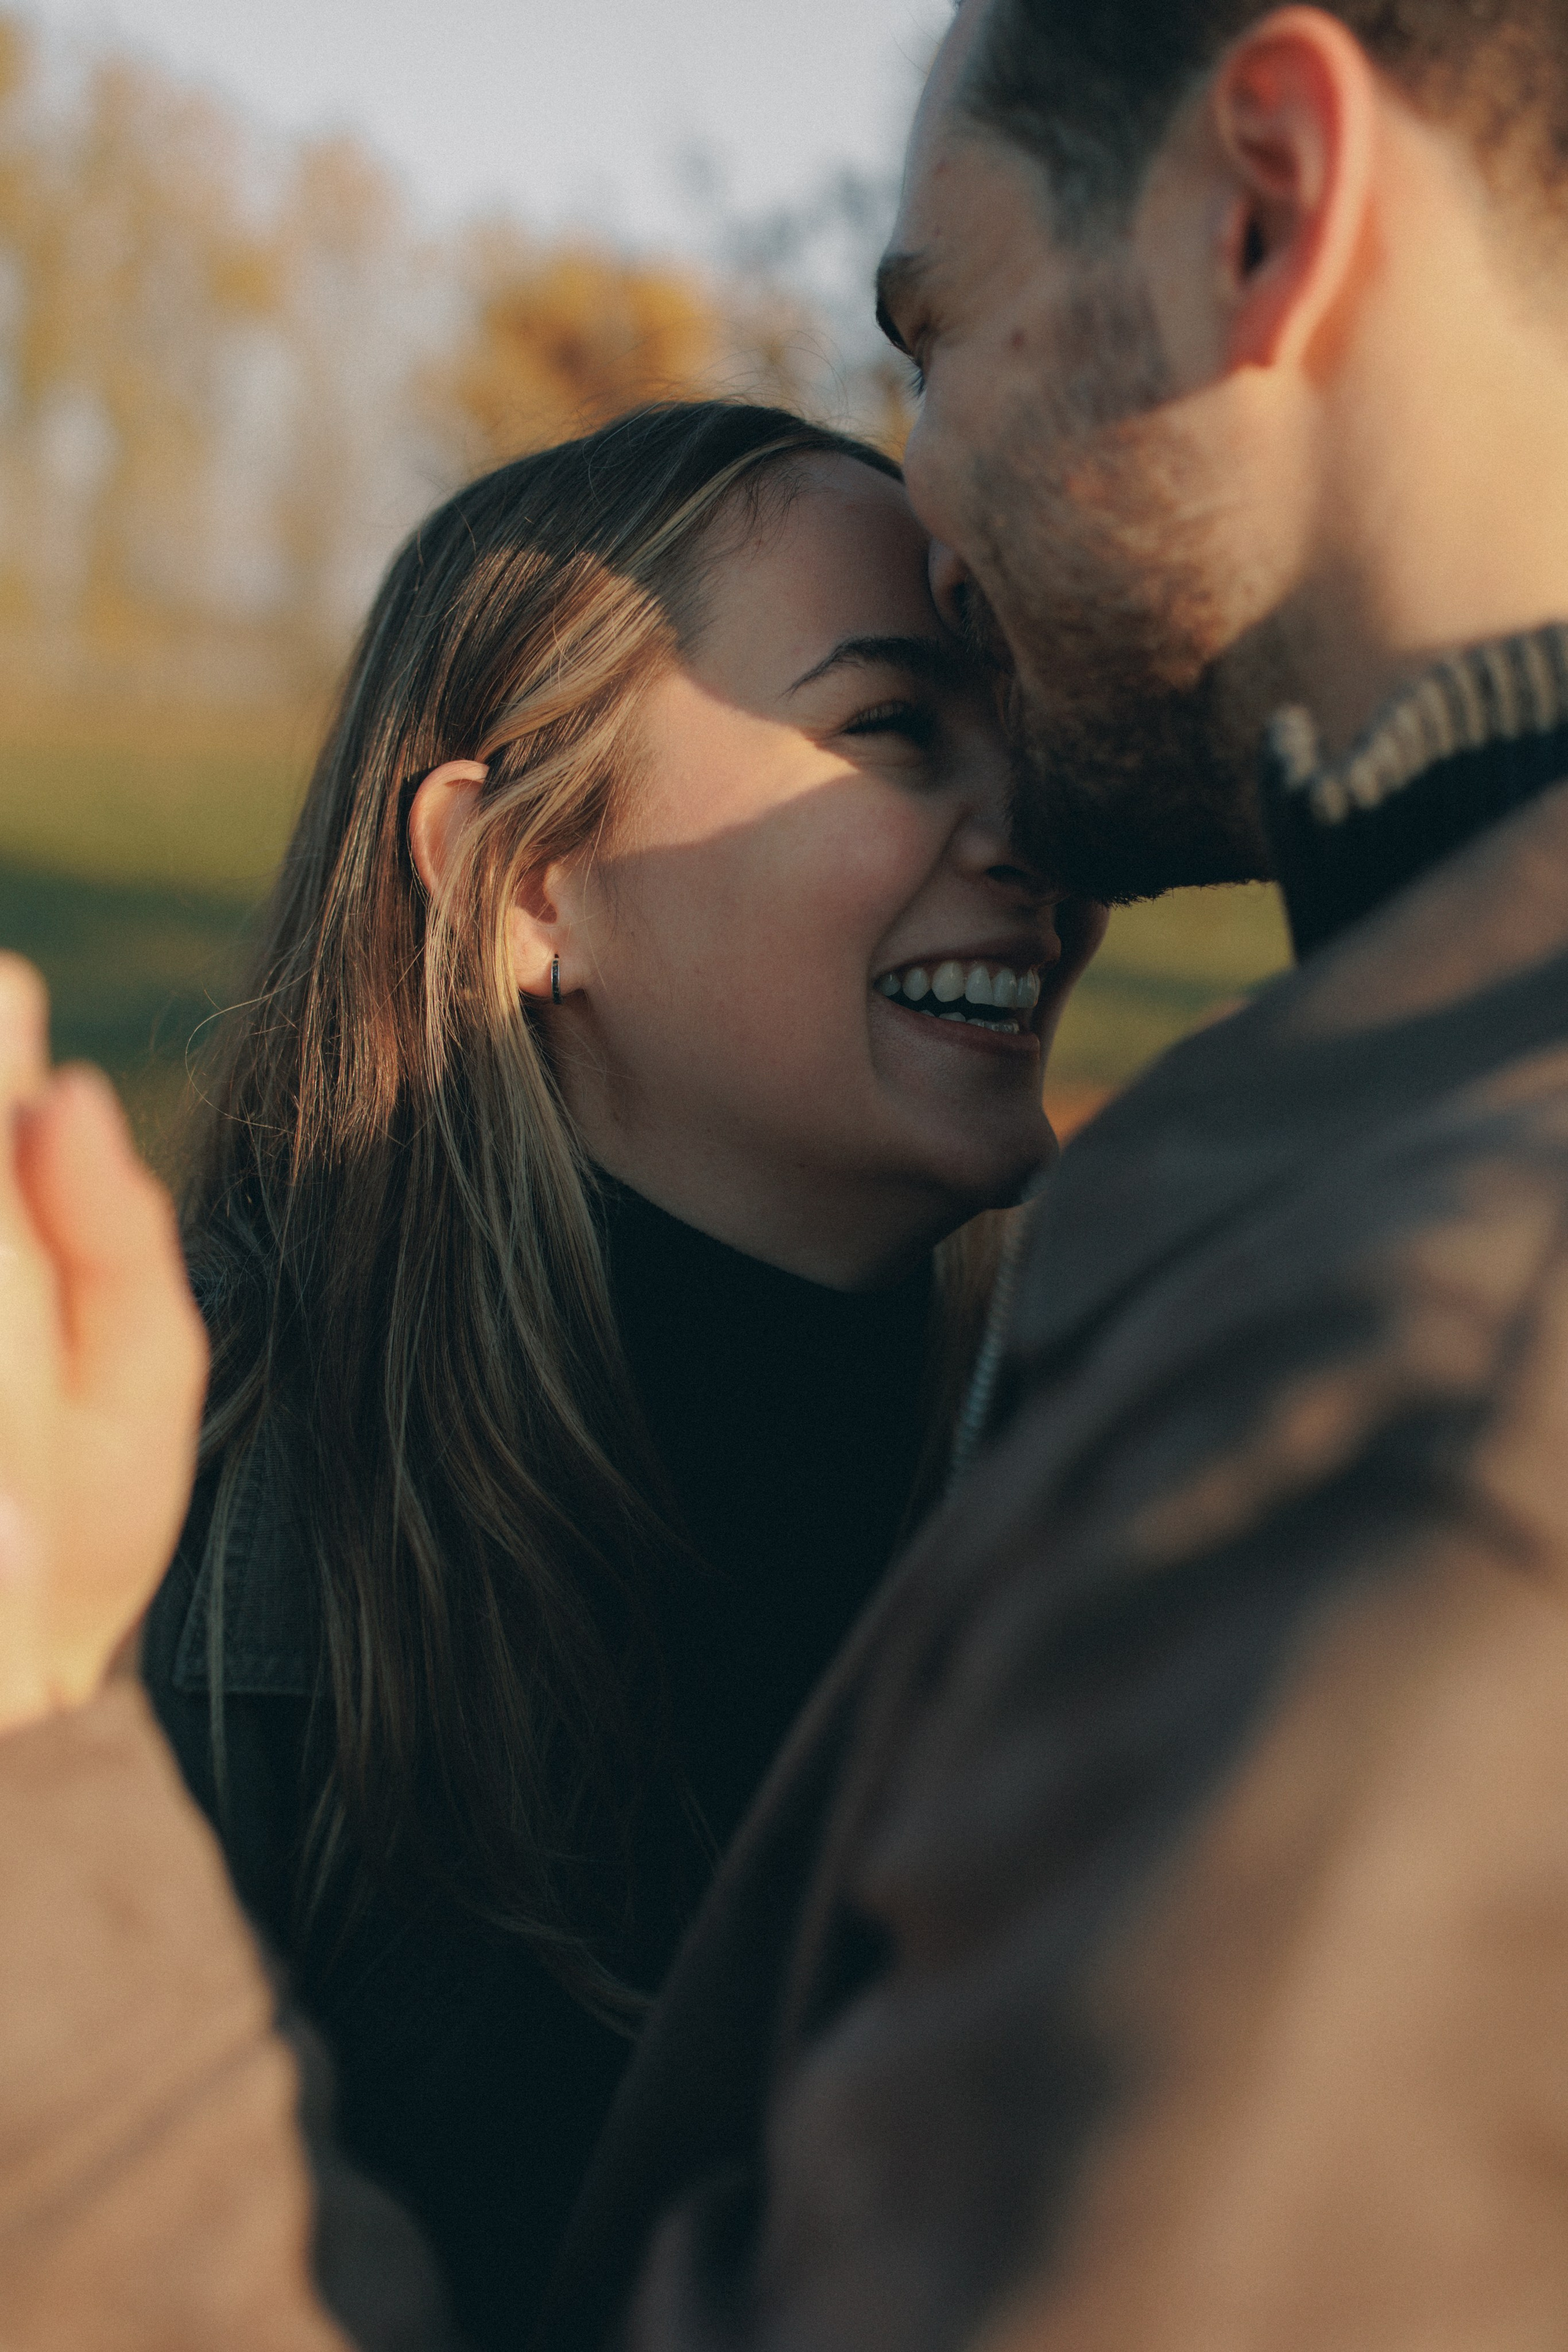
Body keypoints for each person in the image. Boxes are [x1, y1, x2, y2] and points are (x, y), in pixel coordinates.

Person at [529, 4, 1568, 2348]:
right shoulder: (1354, 1176)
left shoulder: (1433, 1391)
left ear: (1264, 211)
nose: (930, 478)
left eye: (939, 331)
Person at [136, 399, 1102, 2346]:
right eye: (898, 728)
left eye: (1030, 733)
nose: (1052, 835)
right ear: (522, 885)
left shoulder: (1123, 1486)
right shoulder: (160, 1516)